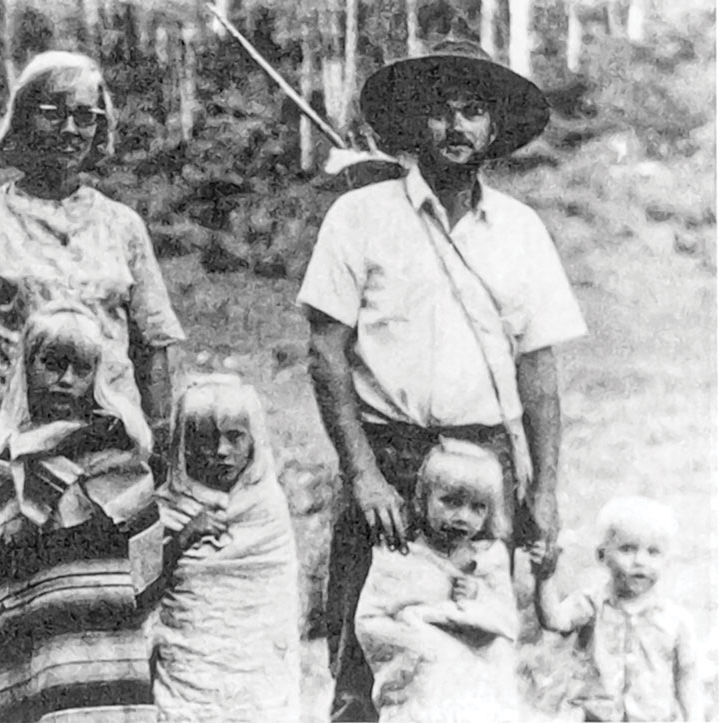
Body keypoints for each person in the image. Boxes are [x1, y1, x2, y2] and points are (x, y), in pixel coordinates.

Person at [297, 32, 589, 720]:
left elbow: (538, 370)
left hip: (482, 470)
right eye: (442, 110)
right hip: (389, 463)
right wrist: (363, 474)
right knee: (367, 656)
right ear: (413, 122)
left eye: (474, 112)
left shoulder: (519, 230)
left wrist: (545, 490)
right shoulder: (360, 217)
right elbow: (325, 353)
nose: (457, 127)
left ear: (494, 127)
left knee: (472, 663)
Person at [0, 50, 184, 720]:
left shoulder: (122, 227)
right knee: (20, 633)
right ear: (20, 117)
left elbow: (154, 342)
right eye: (53, 110)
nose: (70, 129)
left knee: (110, 632)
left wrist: (159, 454)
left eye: (86, 117)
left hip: (112, 466)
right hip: (17, 466)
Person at [0, 303, 160, 722]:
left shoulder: (120, 455)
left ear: (96, 375)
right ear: (27, 367)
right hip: (30, 652)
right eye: (53, 365)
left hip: (104, 653)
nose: (66, 380)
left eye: (80, 368)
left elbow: (147, 568)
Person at [151, 375, 302, 723]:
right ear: (184, 444)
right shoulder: (166, 507)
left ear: (253, 442)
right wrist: (185, 537)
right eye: (204, 439)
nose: (220, 451)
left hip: (255, 660)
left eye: (234, 437)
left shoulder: (267, 507)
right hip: (190, 660)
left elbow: (276, 598)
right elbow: (141, 585)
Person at [355, 438, 518, 723]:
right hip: (422, 690)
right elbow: (371, 621)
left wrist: (478, 600)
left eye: (477, 507)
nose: (462, 518)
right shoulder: (402, 556)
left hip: (476, 694)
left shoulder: (490, 559)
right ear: (423, 499)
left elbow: (506, 624)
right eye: (451, 502)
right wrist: (420, 631)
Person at [529, 496, 703, 721]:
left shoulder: (676, 620)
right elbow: (553, 620)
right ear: (602, 555)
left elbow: (687, 677)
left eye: (653, 552)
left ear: (666, 559)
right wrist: (544, 577)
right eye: (627, 549)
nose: (640, 561)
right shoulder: (592, 603)